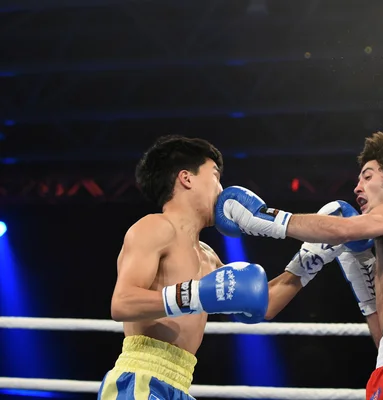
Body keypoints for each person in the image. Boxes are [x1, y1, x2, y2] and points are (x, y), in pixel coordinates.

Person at [99, 134, 368, 400]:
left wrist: (310, 259)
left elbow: (265, 304)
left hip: (178, 385)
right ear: (186, 178)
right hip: (140, 379)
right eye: (215, 176)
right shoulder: (155, 227)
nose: (221, 189)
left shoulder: (207, 255)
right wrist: (195, 294)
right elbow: (122, 303)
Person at [215, 131, 383, 399]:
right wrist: (364, 284)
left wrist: (263, 219)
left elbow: (339, 230)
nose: (357, 187)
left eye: (368, 177)